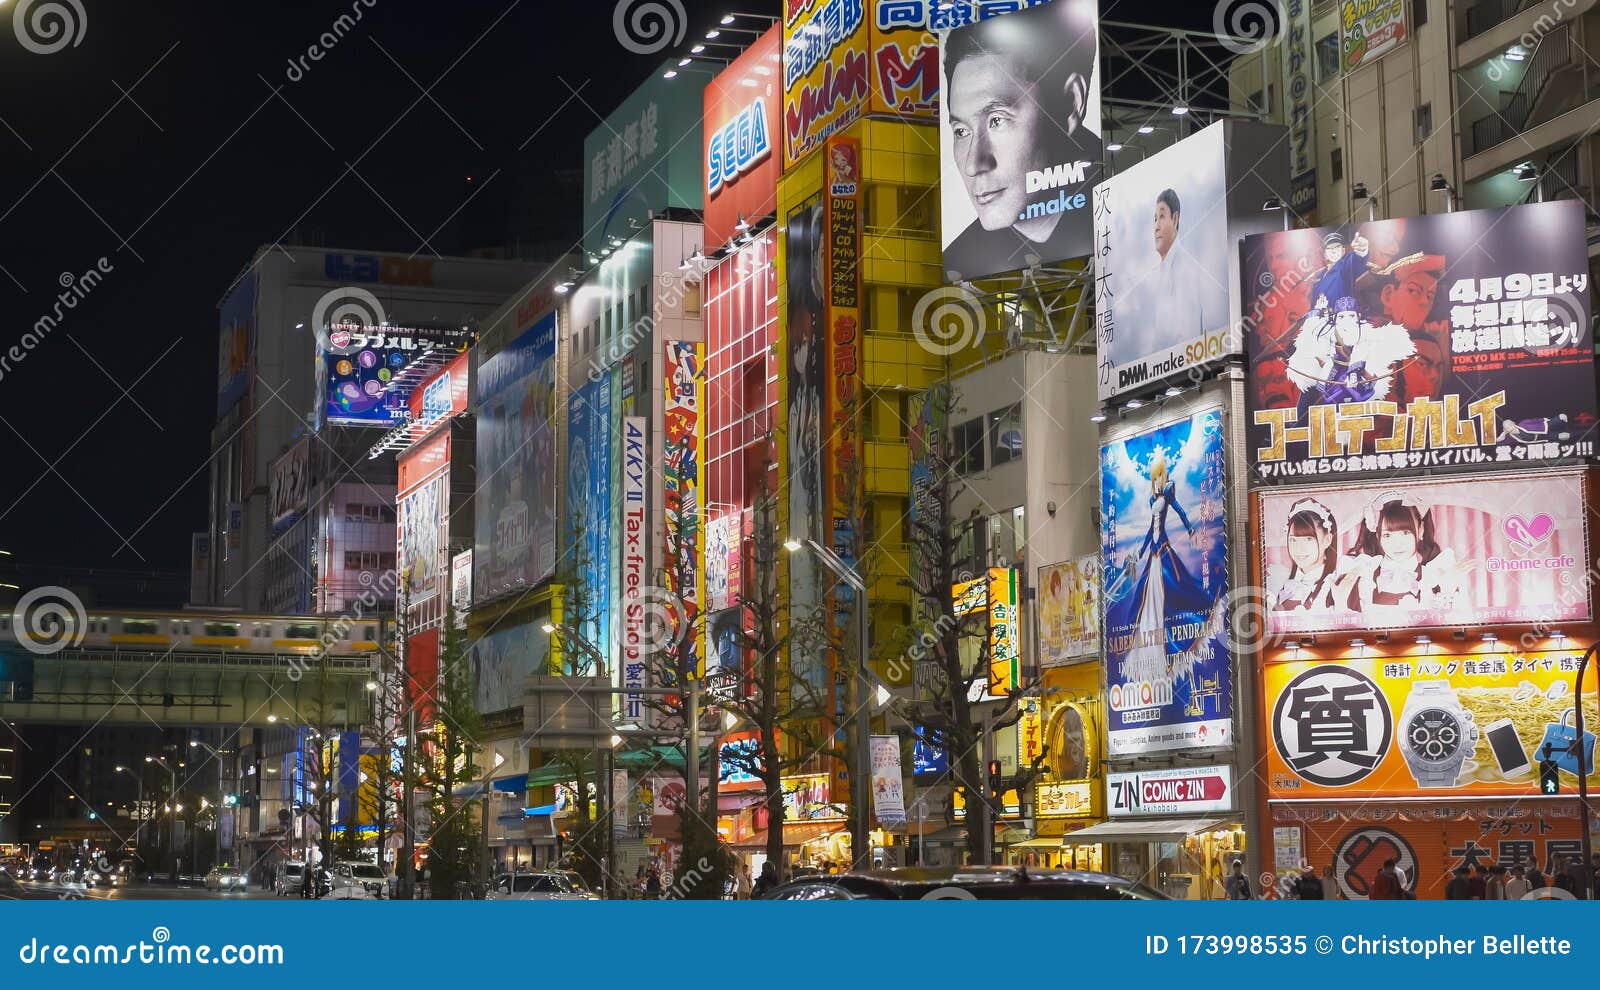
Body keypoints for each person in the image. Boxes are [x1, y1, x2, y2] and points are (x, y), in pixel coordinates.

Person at [941, 0, 1101, 279]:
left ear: (1071, 104)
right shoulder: (959, 259)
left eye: (997, 120)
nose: (973, 164)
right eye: (961, 131)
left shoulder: (1125, 213)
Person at [1351, 493, 1465, 612]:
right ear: (1378, 536)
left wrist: (1447, 590)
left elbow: (1454, 625)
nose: (1397, 544)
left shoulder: (1435, 575)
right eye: (1387, 535)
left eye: (1405, 533)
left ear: (1421, 530)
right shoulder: (1365, 577)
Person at [1145, 188, 1218, 344]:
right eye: (1155, 218)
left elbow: (1187, 337)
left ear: (1175, 219)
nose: (1156, 226)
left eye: (1162, 217)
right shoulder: (1155, 275)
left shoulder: (1189, 271)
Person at [1270, 498, 1356, 613]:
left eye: (1308, 539)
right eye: (1293, 540)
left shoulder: (1341, 581)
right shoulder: (1279, 582)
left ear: (1327, 540)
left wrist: (1341, 603)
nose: (1299, 548)